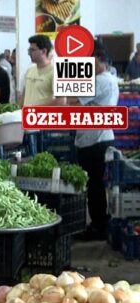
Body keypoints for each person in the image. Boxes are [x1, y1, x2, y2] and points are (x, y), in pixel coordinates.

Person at [72, 47, 119, 241]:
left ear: (99, 59)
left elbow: (75, 100)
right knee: (96, 184)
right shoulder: (106, 79)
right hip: (95, 137)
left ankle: (99, 226)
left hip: (95, 139)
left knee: (95, 185)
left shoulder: (101, 80)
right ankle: (100, 222)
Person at [21, 35, 63, 106]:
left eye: (32, 50)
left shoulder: (56, 72)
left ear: (43, 51)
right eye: (29, 50)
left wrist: (37, 110)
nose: (29, 53)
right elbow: (24, 95)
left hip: (43, 116)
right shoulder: (29, 70)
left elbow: (61, 101)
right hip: (27, 115)